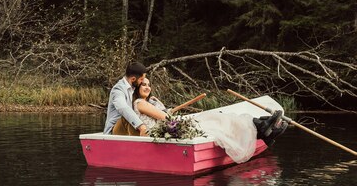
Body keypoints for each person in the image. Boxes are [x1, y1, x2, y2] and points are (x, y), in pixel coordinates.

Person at [132, 83, 288, 163]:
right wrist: (168, 113)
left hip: (172, 124)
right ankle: (262, 128)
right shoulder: (140, 103)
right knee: (216, 118)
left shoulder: (152, 101)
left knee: (219, 117)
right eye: (143, 84)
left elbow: (165, 113)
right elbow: (165, 117)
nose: (147, 87)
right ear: (136, 88)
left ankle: (263, 128)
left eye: (148, 84)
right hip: (169, 127)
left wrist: (168, 110)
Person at [103, 62, 150, 136]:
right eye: (141, 79)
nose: (142, 82)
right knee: (126, 118)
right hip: (113, 131)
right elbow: (122, 107)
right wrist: (140, 126)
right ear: (133, 79)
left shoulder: (133, 88)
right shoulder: (118, 90)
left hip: (127, 128)